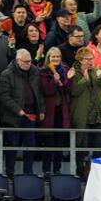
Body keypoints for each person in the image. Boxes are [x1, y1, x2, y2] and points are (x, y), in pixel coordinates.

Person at [0, 48, 45, 179]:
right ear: (18, 61)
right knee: (12, 145)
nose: (28, 64)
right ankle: (10, 173)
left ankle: (28, 173)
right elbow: (4, 96)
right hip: (12, 116)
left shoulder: (34, 71)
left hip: (30, 114)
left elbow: (39, 92)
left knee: (30, 144)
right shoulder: (7, 74)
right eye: (25, 62)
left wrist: (41, 109)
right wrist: (18, 110)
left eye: (30, 61)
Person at [70, 47, 101, 181]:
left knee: (99, 149)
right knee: (82, 148)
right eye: (88, 59)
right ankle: (80, 174)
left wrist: (99, 77)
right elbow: (73, 91)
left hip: (97, 116)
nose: (91, 61)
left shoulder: (95, 71)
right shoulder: (74, 72)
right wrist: (84, 80)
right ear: (80, 60)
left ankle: (98, 174)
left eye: (92, 59)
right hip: (83, 117)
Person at [39, 47, 73, 177]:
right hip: (49, 111)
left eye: (57, 56)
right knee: (49, 142)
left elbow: (68, 89)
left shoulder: (65, 69)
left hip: (61, 111)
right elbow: (47, 90)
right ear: (48, 58)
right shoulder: (43, 71)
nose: (55, 59)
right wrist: (54, 80)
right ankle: (46, 170)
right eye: (53, 57)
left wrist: (67, 80)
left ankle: (57, 169)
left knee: (59, 142)